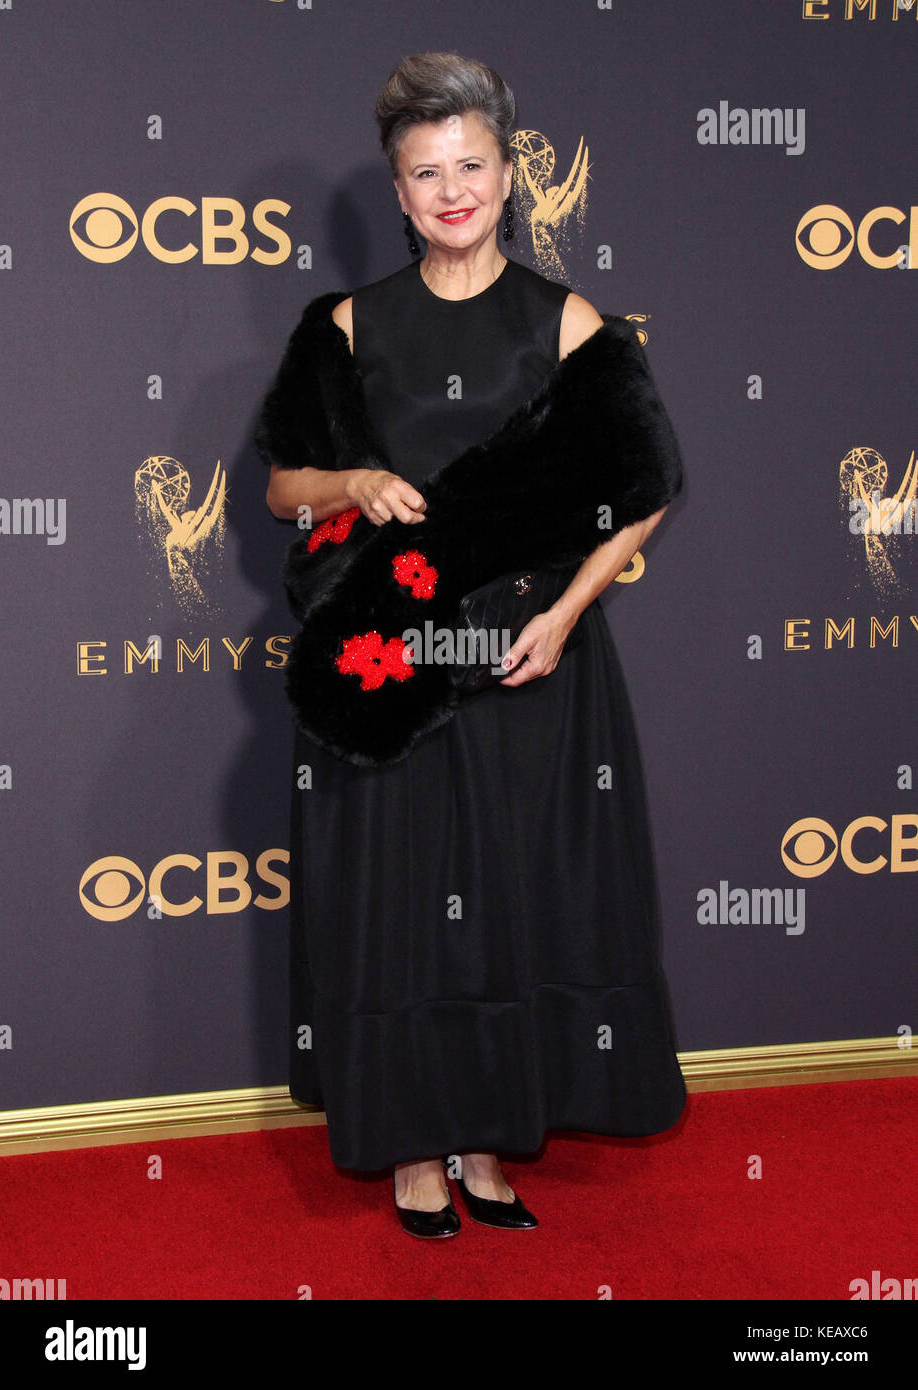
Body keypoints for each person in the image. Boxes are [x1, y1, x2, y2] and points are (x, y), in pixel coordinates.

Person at [260, 51, 686, 1239]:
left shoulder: (564, 318)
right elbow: (281, 489)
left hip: (526, 657)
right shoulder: (345, 324)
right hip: (391, 660)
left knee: (513, 899)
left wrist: (563, 613)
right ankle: (407, 1147)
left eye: (472, 166)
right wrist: (348, 478)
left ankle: (492, 1141)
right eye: (424, 172)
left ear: (508, 175)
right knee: (398, 904)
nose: (452, 190)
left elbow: (648, 484)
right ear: (396, 194)